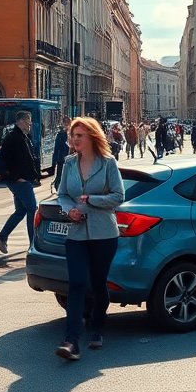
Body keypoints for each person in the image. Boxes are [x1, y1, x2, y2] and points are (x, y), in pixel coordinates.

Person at [55, 117, 125, 360]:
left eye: (80, 136)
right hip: (75, 234)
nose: (74, 140)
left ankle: (97, 328)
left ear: (92, 137)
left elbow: (118, 196)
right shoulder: (68, 163)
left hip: (104, 233)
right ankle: (71, 341)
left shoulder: (108, 163)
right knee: (76, 284)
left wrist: (93, 201)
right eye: (73, 136)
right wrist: (68, 210)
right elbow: (62, 194)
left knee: (98, 283)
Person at [0, 110, 41, 254]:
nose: (30, 124)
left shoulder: (23, 137)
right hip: (20, 181)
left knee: (21, 210)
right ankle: (33, 244)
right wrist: (15, 177)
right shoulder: (13, 138)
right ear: (20, 122)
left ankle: (2, 236)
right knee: (32, 208)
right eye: (27, 121)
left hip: (23, 180)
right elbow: (2, 162)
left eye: (30, 121)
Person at [50, 117, 69, 192]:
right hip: (62, 159)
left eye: (67, 123)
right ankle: (59, 189)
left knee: (62, 176)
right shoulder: (61, 135)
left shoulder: (73, 134)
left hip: (68, 159)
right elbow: (56, 148)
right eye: (65, 123)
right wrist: (54, 162)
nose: (66, 125)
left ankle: (60, 188)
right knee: (60, 175)